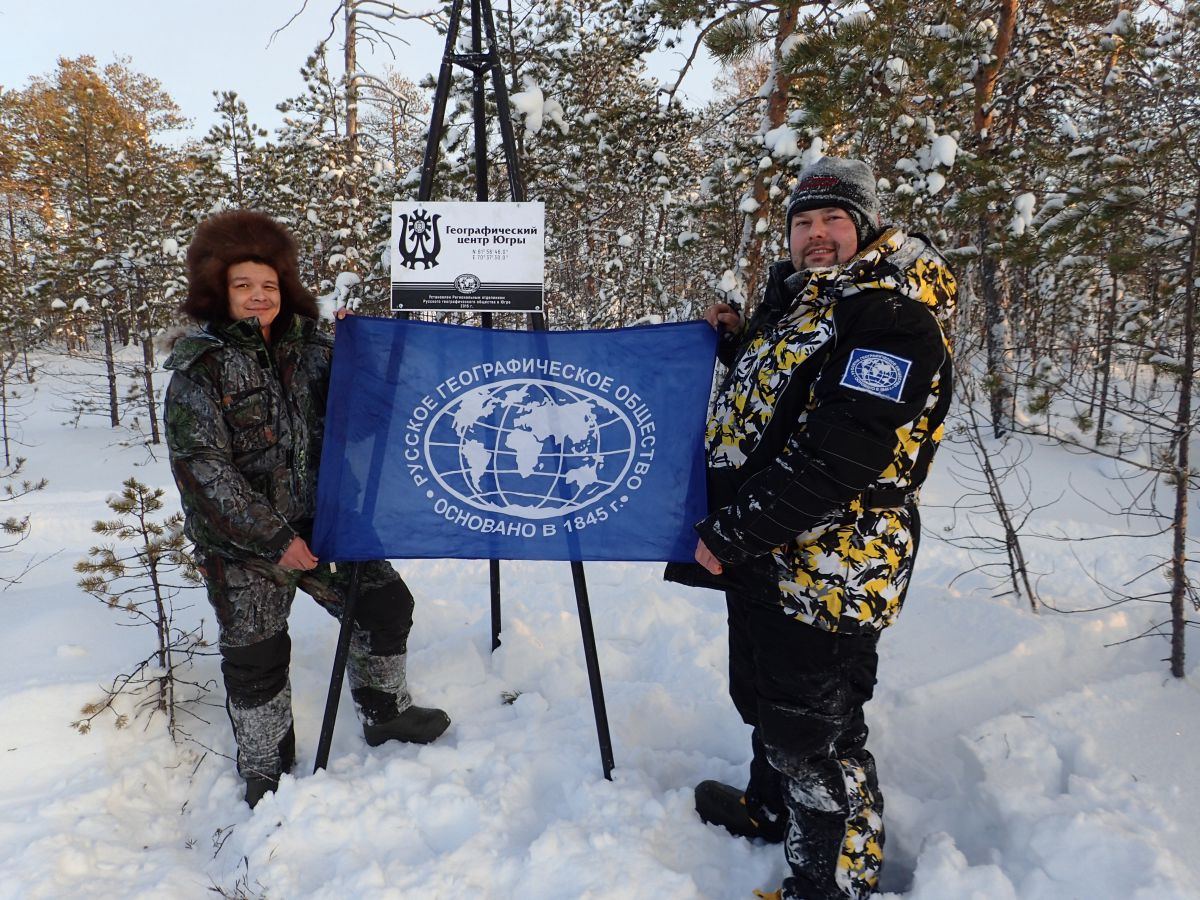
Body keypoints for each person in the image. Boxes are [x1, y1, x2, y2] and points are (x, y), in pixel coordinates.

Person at [677, 157, 956, 900]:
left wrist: (737, 529)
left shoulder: (890, 315)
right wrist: (737, 343)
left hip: (836, 564)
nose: (816, 235)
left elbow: (845, 451)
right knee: (764, 700)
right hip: (768, 551)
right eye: (803, 222)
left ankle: (831, 881)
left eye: (833, 220)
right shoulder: (812, 306)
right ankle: (772, 807)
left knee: (817, 736)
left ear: (865, 228)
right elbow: (785, 406)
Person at [164, 210, 450, 809]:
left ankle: (385, 712)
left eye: (267, 285)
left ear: (284, 287)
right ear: (219, 290)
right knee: (257, 653)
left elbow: (372, 421)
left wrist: (361, 356)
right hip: (243, 544)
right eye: (243, 285)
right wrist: (274, 540)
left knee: (384, 603)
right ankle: (266, 764)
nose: (257, 296)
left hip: (327, 524)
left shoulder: (315, 349)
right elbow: (204, 471)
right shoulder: (200, 368)